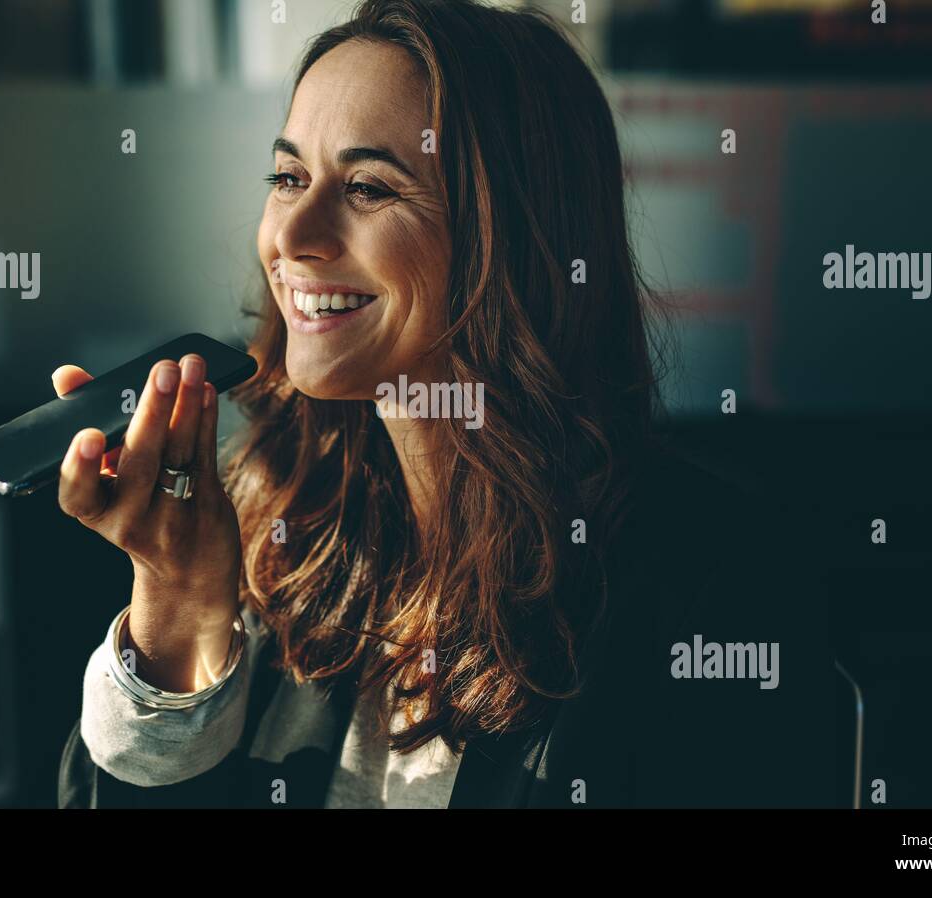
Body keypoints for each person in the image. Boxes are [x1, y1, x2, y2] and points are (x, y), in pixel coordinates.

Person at [55, 0, 834, 809]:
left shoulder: (710, 585)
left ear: (515, 231)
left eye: (366, 187)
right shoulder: (272, 523)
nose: (293, 235)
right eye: (288, 177)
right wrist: (176, 603)